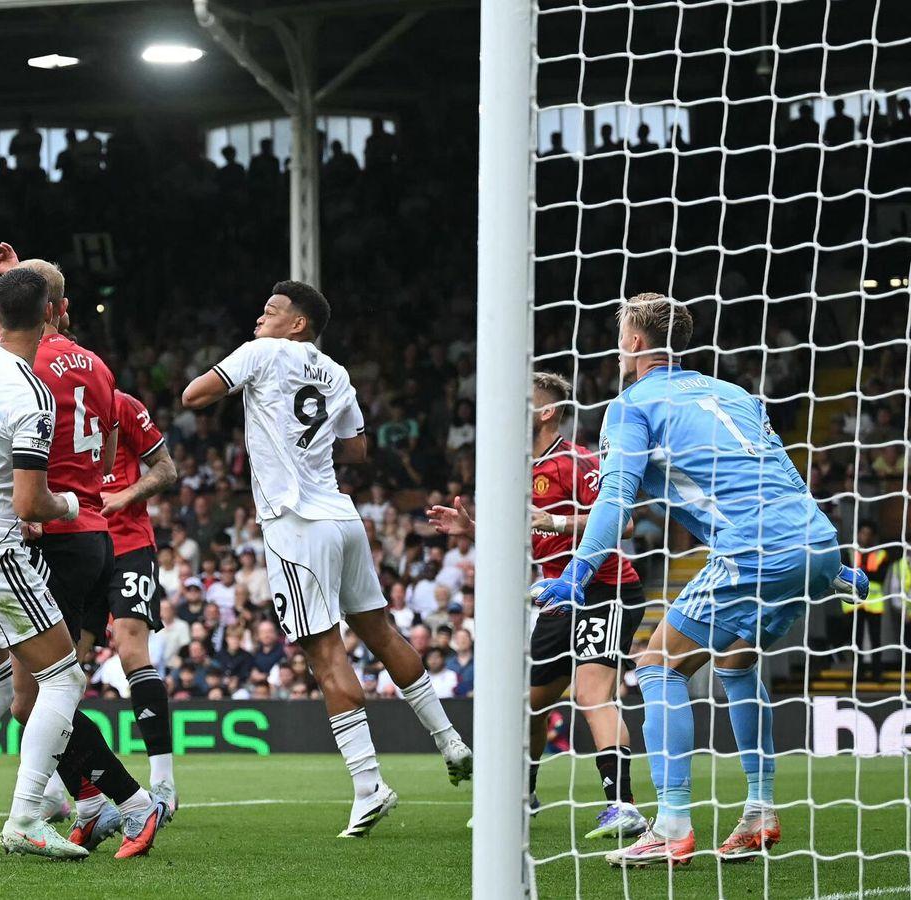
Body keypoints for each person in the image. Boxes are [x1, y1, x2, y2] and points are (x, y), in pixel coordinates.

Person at [526, 294, 869, 867]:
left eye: (620, 335)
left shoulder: (631, 405)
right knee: (736, 662)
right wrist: (828, 563)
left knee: (657, 666)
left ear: (635, 342)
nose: (618, 346)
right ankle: (759, 812)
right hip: (814, 536)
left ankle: (672, 826)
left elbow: (615, 497)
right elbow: (779, 471)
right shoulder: (733, 393)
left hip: (753, 547)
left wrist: (579, 570)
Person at [181, 280, 472, 837]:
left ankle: (369, 786)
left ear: (298, 324)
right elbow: (358, 449)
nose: (260, 318)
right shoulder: (337, 373)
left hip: (295, 524)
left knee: (324, 654)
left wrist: (253, 400)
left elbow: (194, 395)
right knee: (382, 634)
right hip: (342, 515)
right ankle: (452, 743)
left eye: (272, 312)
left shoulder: (260, 353)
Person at [0, 267, 159, 861]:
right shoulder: (32, 391)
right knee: (64, 678)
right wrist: (73, 501)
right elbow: (29, 503)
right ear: (52, 312)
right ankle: (26, 817)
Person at [427, 371, 649, 839]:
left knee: (591, 693)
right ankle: (522, 797)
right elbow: (521, 535)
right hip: (555, 596)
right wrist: (471, 530)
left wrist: (555, 519)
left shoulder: (576, 460)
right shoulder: (517, 469)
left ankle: (624, 806)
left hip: (604, 588)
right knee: (529, 705)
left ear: (547, 411)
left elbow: (624, 524)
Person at [5, 257, 169, 852]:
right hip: (96, 534)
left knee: (35, 697)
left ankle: (129, 800)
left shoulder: (27, 366)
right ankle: (94, 799)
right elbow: (101, 461)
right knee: (45, 692)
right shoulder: (100, 369)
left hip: (54, 533)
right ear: (60, 307)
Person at [100, 388, 180, 803]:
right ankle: (70, 789)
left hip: (128, 544)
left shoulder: (122, 405)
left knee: (132, 650)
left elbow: (167, 470)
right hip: (73, 547)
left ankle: (163, 782)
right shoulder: (40, 401)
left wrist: (126, 495)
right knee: (63, 668)